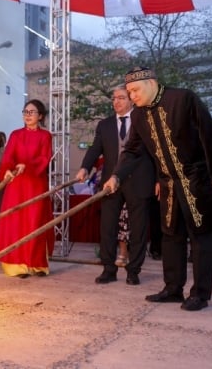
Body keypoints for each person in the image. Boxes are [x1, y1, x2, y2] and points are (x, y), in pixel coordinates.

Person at [103, 67, 212, 311]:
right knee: (171, 235)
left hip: (196, 179)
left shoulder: (183, 98)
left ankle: (200, 294)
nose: (132, 96)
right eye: (129, 92)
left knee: (201, 236)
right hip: (169, 183)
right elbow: (132, 150)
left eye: (135, 90)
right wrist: (117, 175)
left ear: (151, 83)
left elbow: (209, 134)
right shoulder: (139, 115)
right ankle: (173, 289)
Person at [76, 85, 155, 285]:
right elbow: (95, 149)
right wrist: (85, 167)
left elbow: (154, 153)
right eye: (113, 99)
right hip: (110, 183)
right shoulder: (105, 125)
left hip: (139, 180)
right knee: (107, 227)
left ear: (130, 100)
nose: (116, 102)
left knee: (138, 229)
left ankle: (133, 270)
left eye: (120, 97)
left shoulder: (144, 121)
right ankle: (108, 269)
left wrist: (158, 180)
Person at [0, 99, 54, 278]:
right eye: (25, 112)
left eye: (32, 112)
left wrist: (27, 165)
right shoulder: (15, 134)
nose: (27, 115)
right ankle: (16, 265)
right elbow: (8, 157)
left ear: (40, 116)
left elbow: (45, 157)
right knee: (16, 221)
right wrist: (8, 170)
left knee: (34, 222)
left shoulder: (45, 136)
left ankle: (36, 265)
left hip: (35, 184)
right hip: (17, 185)